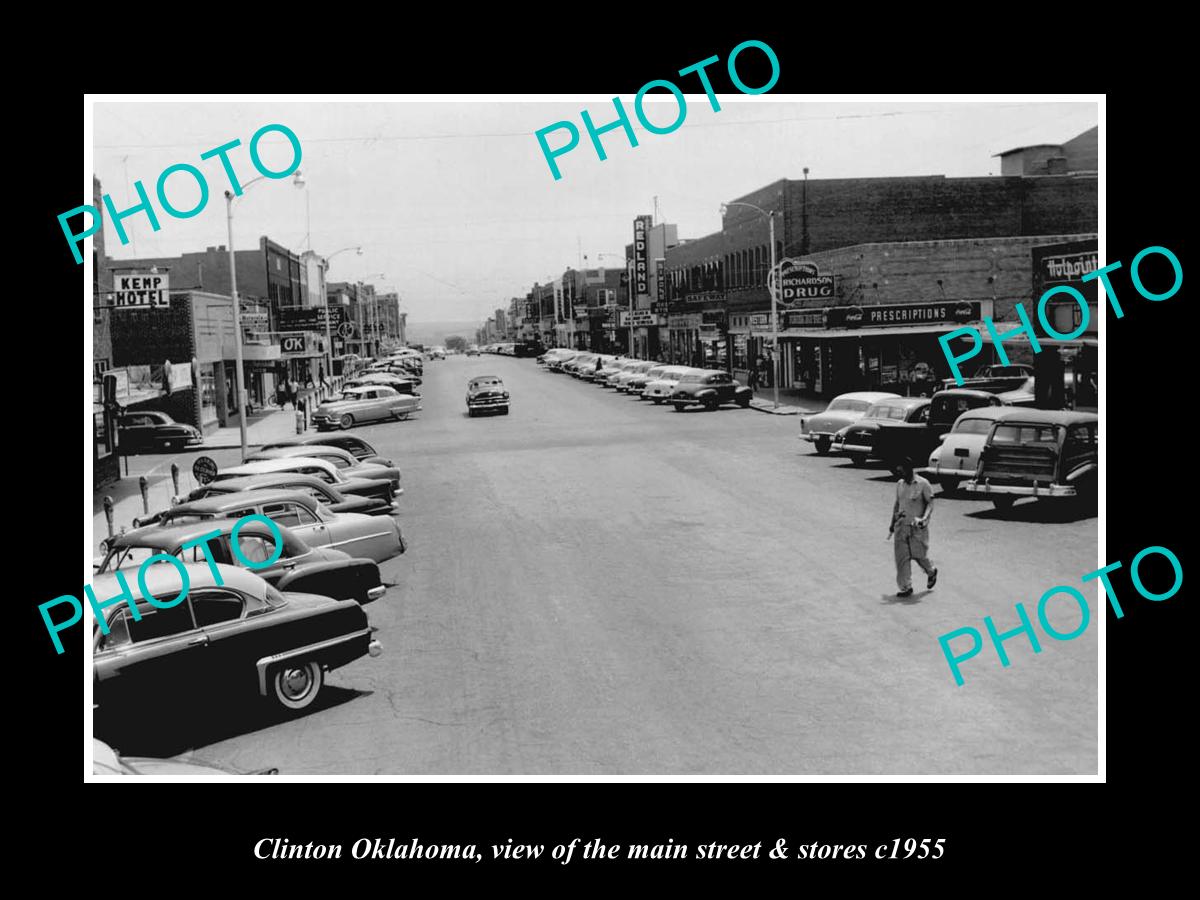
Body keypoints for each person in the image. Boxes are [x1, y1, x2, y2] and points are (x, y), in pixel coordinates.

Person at [888, 457, 938, 597]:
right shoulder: (900, 484)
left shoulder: (923, 484)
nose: (900, 474)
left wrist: (924, 518)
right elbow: (897, 505)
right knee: (902, 558)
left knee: (919, 555)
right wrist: (892, 523)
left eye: (902, 470)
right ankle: (906, 587)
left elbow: (930, 503)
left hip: (917, 528)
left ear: (909, 469)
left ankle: (931, 571)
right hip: (901, 526)